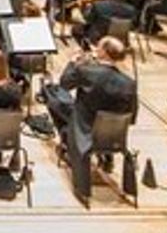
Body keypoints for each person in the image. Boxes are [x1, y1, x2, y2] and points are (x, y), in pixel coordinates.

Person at [44, 37, 138, 204]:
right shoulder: (129, 83)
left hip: (84, 127)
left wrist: (73, 63)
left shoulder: (88, 71)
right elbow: (132, 115)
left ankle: (66, 139)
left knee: (53, 96)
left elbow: (65, 84)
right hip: (112, 133)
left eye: (99, 46)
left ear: (103, 52)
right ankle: (106, 155)